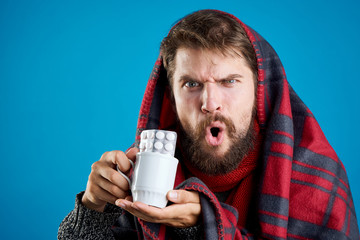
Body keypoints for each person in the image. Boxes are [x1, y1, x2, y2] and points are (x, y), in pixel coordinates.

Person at [58, 9, 359, 239]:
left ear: (260, 92)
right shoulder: (140, 173)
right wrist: (92, 208)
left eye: (229, 81)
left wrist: (205, 228)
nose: (210, 103)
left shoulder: (315, 176)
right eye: (191, 84)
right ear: (170, 98)